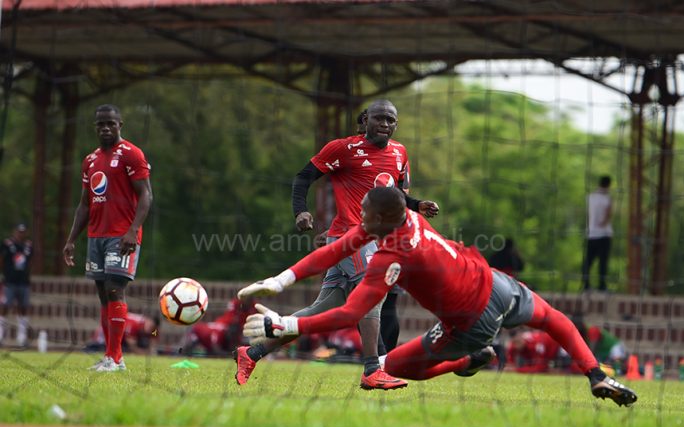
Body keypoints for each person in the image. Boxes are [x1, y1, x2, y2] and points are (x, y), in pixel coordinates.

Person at [239, 187, 638, 407]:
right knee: (553, 318)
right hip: (495, 282)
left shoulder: (392, 256)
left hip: (470, 322)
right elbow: (336, 250)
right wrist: (280, 280)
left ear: (378, 218)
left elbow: (352, 312)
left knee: (388, 368)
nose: (360, 216)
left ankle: (469, 358)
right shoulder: (404, 217)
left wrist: (286, 323)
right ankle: (597, 375)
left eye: (364, 212)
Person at [234, 99, 439, 390]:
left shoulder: (400, 152)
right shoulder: (344, 149)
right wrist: (300, 211)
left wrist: (417, 205)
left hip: (373, 240)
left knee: (318, 311)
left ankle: (251, 353)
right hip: (348, 237)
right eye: (379, 118)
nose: (385, 124)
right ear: (366, 120)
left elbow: (393, 194)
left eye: (391, 120)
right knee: (373, 294)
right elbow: (303, 177)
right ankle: (372, 370)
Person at [63, 104, 153, 372]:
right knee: (103, 295)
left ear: (120, 125)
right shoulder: (90, 160)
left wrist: (132, 231)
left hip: (122, 235)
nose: (105, 128)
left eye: (110, 124)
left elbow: (147, 195)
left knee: (116, 289)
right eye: (100, 124)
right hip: (96, 236)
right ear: (96, 127)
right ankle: (111, 356)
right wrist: (70, 240)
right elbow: (84, 205)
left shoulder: (131, 154)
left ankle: (115, 358)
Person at [182, 297, 257, 356]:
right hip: (197, 331)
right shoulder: (220, 331)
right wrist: (228, 355)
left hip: (220, 331)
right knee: (188, 347)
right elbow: (216, 350)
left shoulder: (253, 308)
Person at [0, 224, 33, 346]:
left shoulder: (28, 246)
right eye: (19, 232)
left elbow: (30, 262)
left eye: (23, 232)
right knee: (5, 306)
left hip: (23, 282)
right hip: (9, 281)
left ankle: (22, 337)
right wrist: (4, 274)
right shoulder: (7, 244)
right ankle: (0, 334)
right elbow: (2, 259)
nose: (21, 234)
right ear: (14, 232)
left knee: (23, 307)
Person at [582, 175, 613, 291]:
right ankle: (602, 285)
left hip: (591, 233)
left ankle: (586, 284)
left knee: (588, 261)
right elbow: (608, 215)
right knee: (603, 261)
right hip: (604, 234)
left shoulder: (590, 197)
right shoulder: (607, 198)